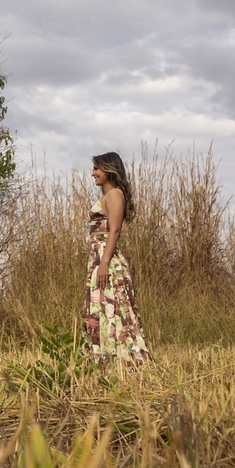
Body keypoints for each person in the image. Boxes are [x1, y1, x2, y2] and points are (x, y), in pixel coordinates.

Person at [82, 151, 149, 368]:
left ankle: (124, 360)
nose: (93, 173)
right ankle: (105, 361)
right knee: (101, 308)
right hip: (99, 257)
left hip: (107, 260)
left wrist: (103, 264)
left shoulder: (114, 195)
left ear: (109, 170)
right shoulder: (109, 195)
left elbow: (115, 230)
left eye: (96, 168)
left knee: (115, 309)